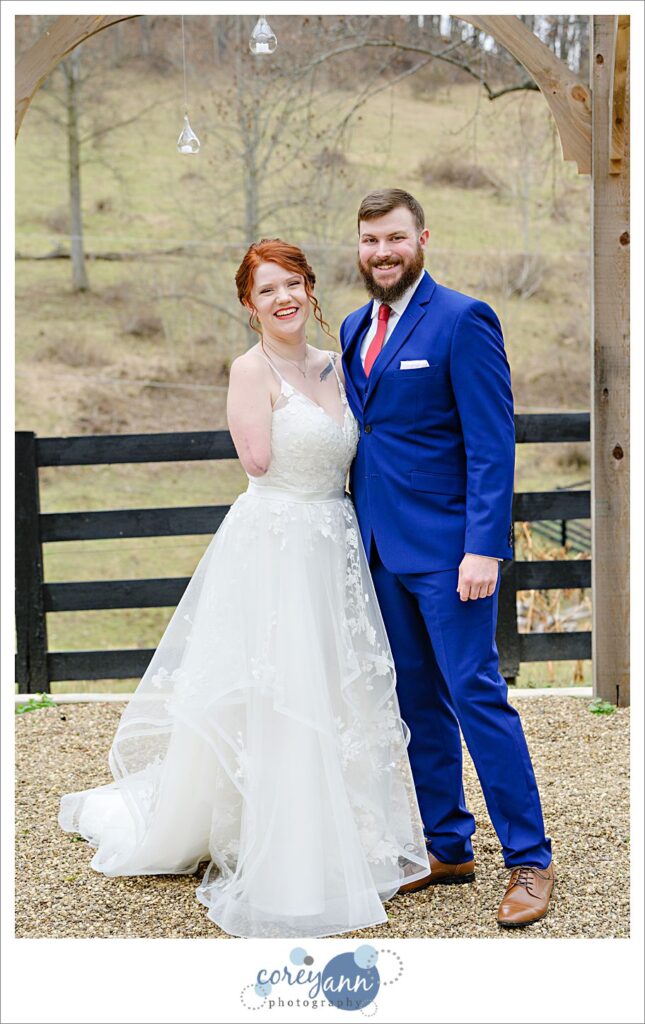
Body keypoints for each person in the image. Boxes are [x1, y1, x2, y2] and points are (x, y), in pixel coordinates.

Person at [58, 238, 429, 939]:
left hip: (336, 542)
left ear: (310, 290)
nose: (282, 298)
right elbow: (257, 461)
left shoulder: (341, 365)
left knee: (338, 685)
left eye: (292, 284)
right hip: (276, 543)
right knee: (281, 688)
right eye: (267, 291)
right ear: (248, 304)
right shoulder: (248, 370)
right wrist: (268, 413)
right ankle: (282, 849)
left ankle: (345, 834)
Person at [340, 188, 555, 928]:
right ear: (359, 248)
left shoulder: (463, 320)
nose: (382, 253)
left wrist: (482, 549)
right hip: (378, 551)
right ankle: (447, 847)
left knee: (475, 697)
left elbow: (492, 446)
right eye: (369, 241)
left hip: (450, 555)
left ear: (422, 238)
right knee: (415, 703)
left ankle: (529, 859)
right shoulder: (351, 326)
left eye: (394, 238)